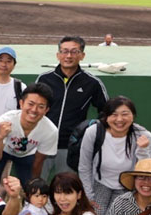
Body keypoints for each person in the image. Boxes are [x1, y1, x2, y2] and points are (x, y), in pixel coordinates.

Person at [36, 36, 108, 178]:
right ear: (58, 55)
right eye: (64, 51)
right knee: (35, 186)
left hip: (70, 148)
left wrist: (90, 133)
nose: (68, 56)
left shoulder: (92, 83)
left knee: (66, 188)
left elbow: (106, 112)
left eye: (74, 51)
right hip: (41, 144)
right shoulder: (44, 79)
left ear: (82, 55)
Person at [78, 96, 151, 215]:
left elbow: (146, 171)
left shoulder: (144, 136)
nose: (119, 119)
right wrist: (88, 195)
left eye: (125, 114)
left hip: (127, 187)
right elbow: (84, 166)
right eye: (114, 114)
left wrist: (142, 150)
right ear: (106, 117)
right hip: (100, 183)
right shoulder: (93, 132)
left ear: (133, 116)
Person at [0, 83, 58, 192]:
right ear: (21, 103)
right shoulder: (6, 120)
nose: (34, 110)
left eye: (41, 106)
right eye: (30, 104)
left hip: (26, 155)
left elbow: (38, 162)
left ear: (46, 110)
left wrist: (33, 186)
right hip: (1, 149)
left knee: (30, 189)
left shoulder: (50, 131)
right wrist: (0, 137)